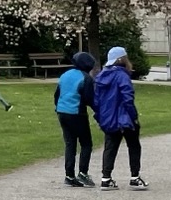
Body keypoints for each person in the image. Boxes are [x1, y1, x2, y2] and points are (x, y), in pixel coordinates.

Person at [93, 46, 145, 190]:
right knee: (133, 145)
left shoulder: (101, 76)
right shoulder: (122, 76)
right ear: (121, 59)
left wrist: (100, 117)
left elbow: (96, 101)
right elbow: (127, 98)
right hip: (124, 117)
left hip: (108, 118)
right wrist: (134, 116)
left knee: (110, 147)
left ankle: (106, 178)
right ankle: (135, 177)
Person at [54, 51, 97, 187]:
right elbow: (89, 99)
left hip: (62, 112)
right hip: (76, 113)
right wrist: (100, 112)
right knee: (86, 143)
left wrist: (58, 107)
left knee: (70, 144)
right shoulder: (86, 78)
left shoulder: (65, 75)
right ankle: (83, 173)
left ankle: (69, 175)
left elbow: (57, 94)